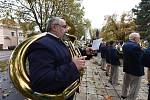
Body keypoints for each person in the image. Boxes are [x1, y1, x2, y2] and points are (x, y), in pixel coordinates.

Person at [27, 17, 93, 100]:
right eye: (64, 26)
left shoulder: (58, 41)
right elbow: (41, 81)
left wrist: (84, 51)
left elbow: (64, 54)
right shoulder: (42, 45)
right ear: (54, 27)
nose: (67, 30)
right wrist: (73, 66)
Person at [121, 32, 144, 100]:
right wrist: (142, 51)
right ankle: (131, 98)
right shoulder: (136, 47)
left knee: (126, 83)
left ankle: (124, 94)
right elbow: (141, 58)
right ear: (135, 38)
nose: (139, 40)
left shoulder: (125, 45)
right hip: (136, 70)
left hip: (127, 68)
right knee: (135, 87)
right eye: (139, 38)